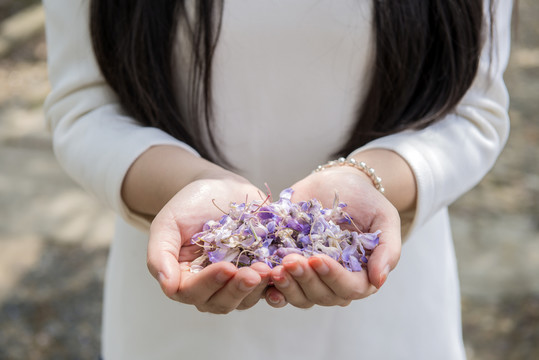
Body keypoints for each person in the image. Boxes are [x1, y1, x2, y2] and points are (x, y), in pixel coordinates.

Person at [43, 0, 512, 358]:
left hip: (389, 294)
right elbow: (83, 109)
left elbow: (475, 113)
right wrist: (191, 182)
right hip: (180, 293)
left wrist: (367, 177)